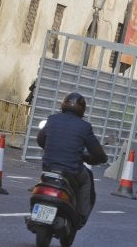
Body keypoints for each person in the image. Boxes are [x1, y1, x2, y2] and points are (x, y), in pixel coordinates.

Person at [36, 92, 108, 227]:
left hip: (48, 166)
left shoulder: (52, 119)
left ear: (63, 105)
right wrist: (102, 158)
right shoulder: (84, 126)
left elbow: (40, 140)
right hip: (71, 170)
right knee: (87, 178)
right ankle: (81, 215)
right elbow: (97, 152)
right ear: (82, 110)